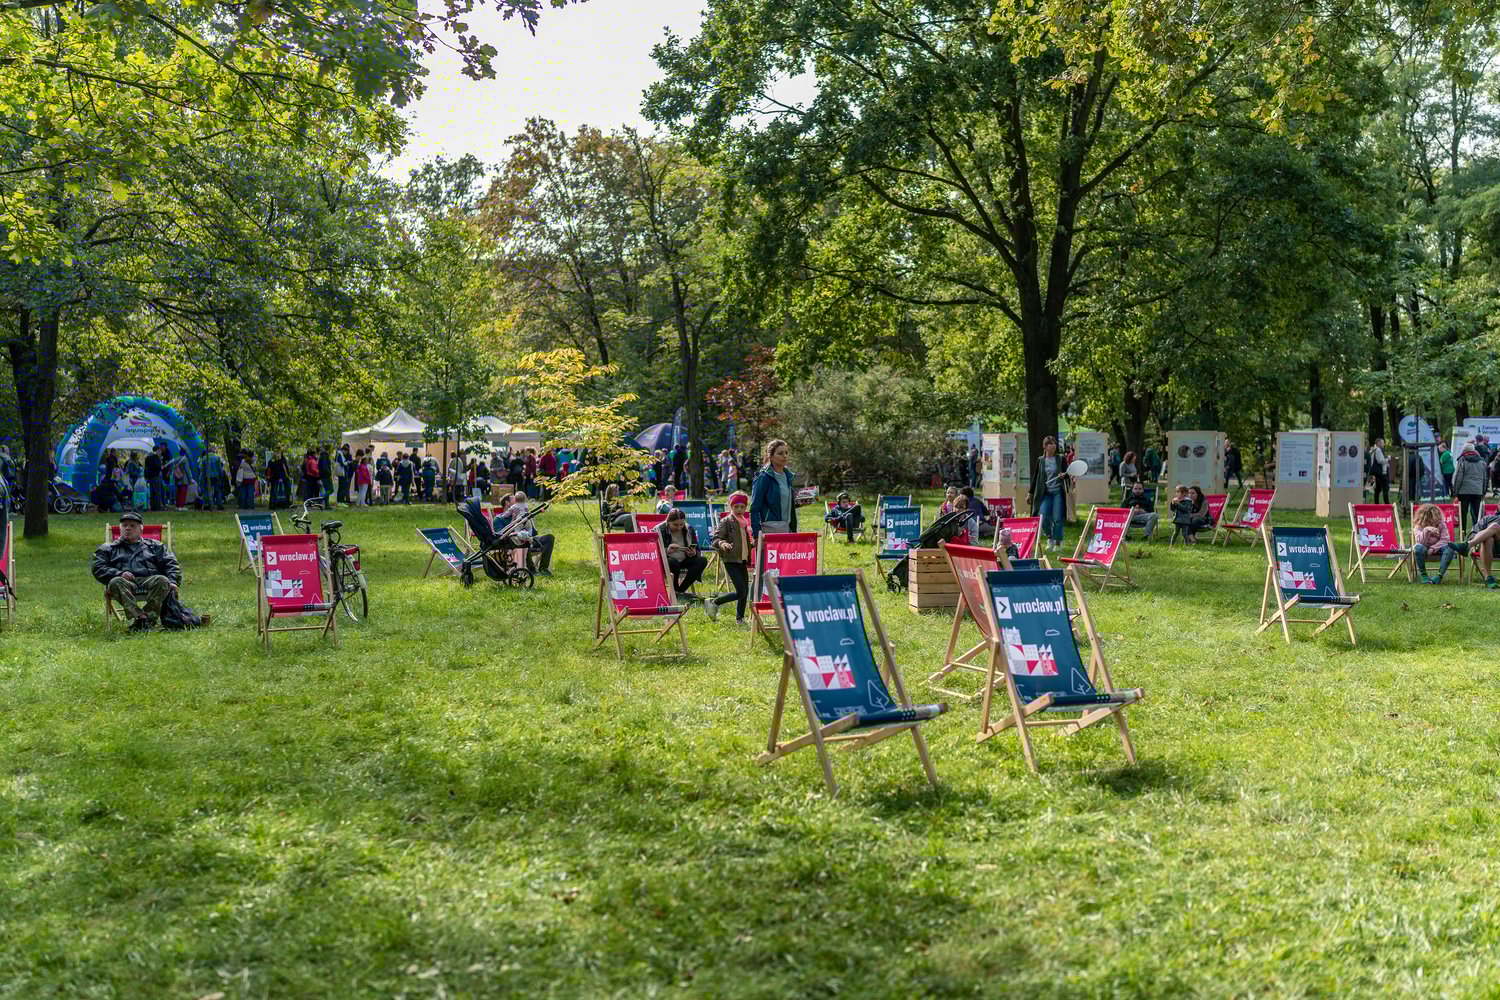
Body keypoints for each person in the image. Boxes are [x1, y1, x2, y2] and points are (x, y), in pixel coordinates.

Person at [92, 511, 203, 631]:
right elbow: (98, 567)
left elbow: (171, 564)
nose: (127, 528)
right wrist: (119, 573)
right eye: (124, 525)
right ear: (120, 529)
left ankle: (145, 619)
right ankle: (142, 617)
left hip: (150, 581)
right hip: (124, 583)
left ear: (141, 530)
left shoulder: (155, 546)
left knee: (163, 580)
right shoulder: (108, 548)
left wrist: (173, 581)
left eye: (132, 526)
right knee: (115, 582)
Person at [703, 491, 752, 624]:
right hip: (731, 559)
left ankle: (740, 618)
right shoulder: (726, 521)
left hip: (742, 559)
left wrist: (752, 545)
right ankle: (714, 602)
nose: (739, 509)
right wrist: (722, 544)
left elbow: (742, 542)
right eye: (736, 507)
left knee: (745, 591)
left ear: (746, 507)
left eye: (742, 507)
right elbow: (715, 539)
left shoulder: (744, 523)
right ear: (731, 507)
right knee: (740, 591)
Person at [1027, 435, 1070, 551]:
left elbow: (1068, 473)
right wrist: (1030, 493)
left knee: (1057, 518)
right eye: (1050, 443)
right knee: (1043, 516)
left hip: (1057, 492)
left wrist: (1064, 475)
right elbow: (1035, 477)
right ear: (1045, 446)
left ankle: (1057, 543)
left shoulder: (1060, 458)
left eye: (1054, 443)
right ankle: (1050, 537)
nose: (1053, 445)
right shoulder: (1041, 460)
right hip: (1045, 493)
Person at [749, 439, 798, 538]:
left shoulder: (788, 476)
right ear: (771, 457)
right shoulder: (763, 477)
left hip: (788, 529)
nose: (784, 456)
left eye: (786, 453)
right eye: (780, 453)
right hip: (769, 530)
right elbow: (754, 509)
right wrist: (756, 535)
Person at [657, 507, 707, 597]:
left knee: (702, 560)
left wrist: (693, 553)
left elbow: (697, 549)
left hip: (684, 559)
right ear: (668, 521)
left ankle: (681, 590)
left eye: (682, 524)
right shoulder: (659, 529)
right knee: (673, 562)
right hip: (666, 561)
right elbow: (652, 552)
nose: (679, 527)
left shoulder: (689, 529)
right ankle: (675, 589)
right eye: (675, 525)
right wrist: (667, 550)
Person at [1411, 503, 1463, 584]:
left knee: (1450, 547)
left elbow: (1445, 539)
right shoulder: (1419, 526)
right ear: (1426, 518)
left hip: (1439, 548)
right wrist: (1426, 530)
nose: (1436, 521)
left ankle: (1439, 576)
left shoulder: (1441, 524)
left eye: (1438, 516)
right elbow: (1419, 542)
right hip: (1424, 549)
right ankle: (1423, 574)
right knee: (1418, 548)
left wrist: (1433, 548)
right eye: (1434, 518)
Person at [1452, 440, 1486, 529]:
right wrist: (1483, 492)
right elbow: (1485, 478)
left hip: (1464, 491)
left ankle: (1463, 532)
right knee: (1476, 514)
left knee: (1463, 513)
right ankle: (1477, 532)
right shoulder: (1481, 461)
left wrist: (1455, 491)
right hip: (1477, 491)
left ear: (1464, 450)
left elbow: (1458, 477)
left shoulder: (1462, 460)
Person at [199, 445, 225, 511]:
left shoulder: (204, 458)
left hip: (207, 477)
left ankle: (207, 504)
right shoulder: (217, 458)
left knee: (207, 491)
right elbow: (220, 468)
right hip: (216, 476)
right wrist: (221, 476)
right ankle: (219, 505)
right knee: (218, 491)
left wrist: (203, 477)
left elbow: (202, 469)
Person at [143, 444, 165, 511]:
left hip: (150, 476)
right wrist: (161, 467)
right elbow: (157, 466)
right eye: (159, 450)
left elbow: (146, 468)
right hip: (156, 476)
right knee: (157, 491)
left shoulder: (147, 457)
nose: (160, 452)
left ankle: (152, 506)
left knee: (152, 492)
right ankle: (158, 506)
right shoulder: (155, 457)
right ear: (157, 450)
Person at [1370, 437, 1391, 504]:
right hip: (1381, 472)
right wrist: (1387, 459)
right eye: (1382, 442)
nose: (1383, 444)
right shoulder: (1378, 450)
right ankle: (1387, 503)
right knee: (1385, 487)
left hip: (1377, 472)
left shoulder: (1374, 450)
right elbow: (1380, 461)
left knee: (1378, 488)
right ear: (1378, 443)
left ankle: (1376, 503)